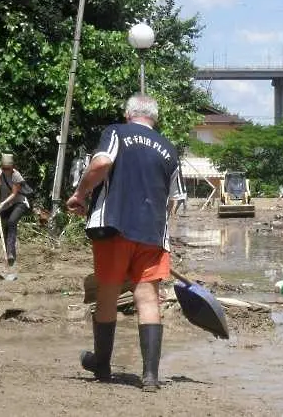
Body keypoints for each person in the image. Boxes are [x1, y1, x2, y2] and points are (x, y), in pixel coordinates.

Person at [66, 94, 182, 392]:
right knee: (148, 299)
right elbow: (175, 200)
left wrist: (80, 195)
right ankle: (151, 377)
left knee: (107, 294)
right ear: (154, 118)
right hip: (154, 235)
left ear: (128, 113)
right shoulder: (170, 150)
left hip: (115, 226)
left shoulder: (116, 132)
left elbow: (101, 163)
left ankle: (102, 365)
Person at [0, 153, 30, 266]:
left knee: (12, 222)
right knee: (5, 226)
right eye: (4, 168)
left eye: (8, 168)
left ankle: (10, 253)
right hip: (6, 205)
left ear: (12, 167)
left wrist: (2, 204)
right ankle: (8, 254)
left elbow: (14, 194)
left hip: (19, 203)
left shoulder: (16, 175)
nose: (6, 170)